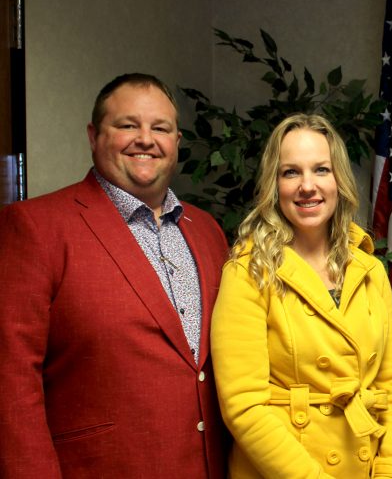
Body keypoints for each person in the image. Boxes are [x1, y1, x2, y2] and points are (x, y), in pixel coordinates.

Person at [0, 73, 229, 477]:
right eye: (127, 125)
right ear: (93, 135)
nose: (146, 139)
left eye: (161, 128)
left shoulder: (208, 231)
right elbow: (11, 383)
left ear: (177, 141)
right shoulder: (36, 227)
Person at [210, 113, 392, 478]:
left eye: (321, 169)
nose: (307, 185)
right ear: (274, 184)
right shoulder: (247, 271)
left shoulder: (370, 270)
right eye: (291, 172)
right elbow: (244, 406)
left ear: (339, 180)